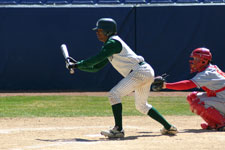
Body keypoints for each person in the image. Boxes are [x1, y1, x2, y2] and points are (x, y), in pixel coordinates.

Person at [67, 18, 177, 138]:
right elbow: (96, 67)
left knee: (114, 94)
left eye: (99, 30)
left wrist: (77, 64)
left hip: (139, 72)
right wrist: (77, 66)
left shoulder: (112, 43)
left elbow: (96, 59)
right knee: (141, 106)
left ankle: (118, 129)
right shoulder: (109, 45)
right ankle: (168, 127)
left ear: (107, 31)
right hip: (144, 71)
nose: (97, 33)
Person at [154, 47, 225, 131]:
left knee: (198, 103)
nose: (193, 61)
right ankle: (213, 124)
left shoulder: (207, 73)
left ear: (204, 60)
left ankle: (222, 123)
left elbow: (188, 84)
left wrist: (165, 85)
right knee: (192, 97)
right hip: (221, 98)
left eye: (196, 58)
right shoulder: (209, 68)